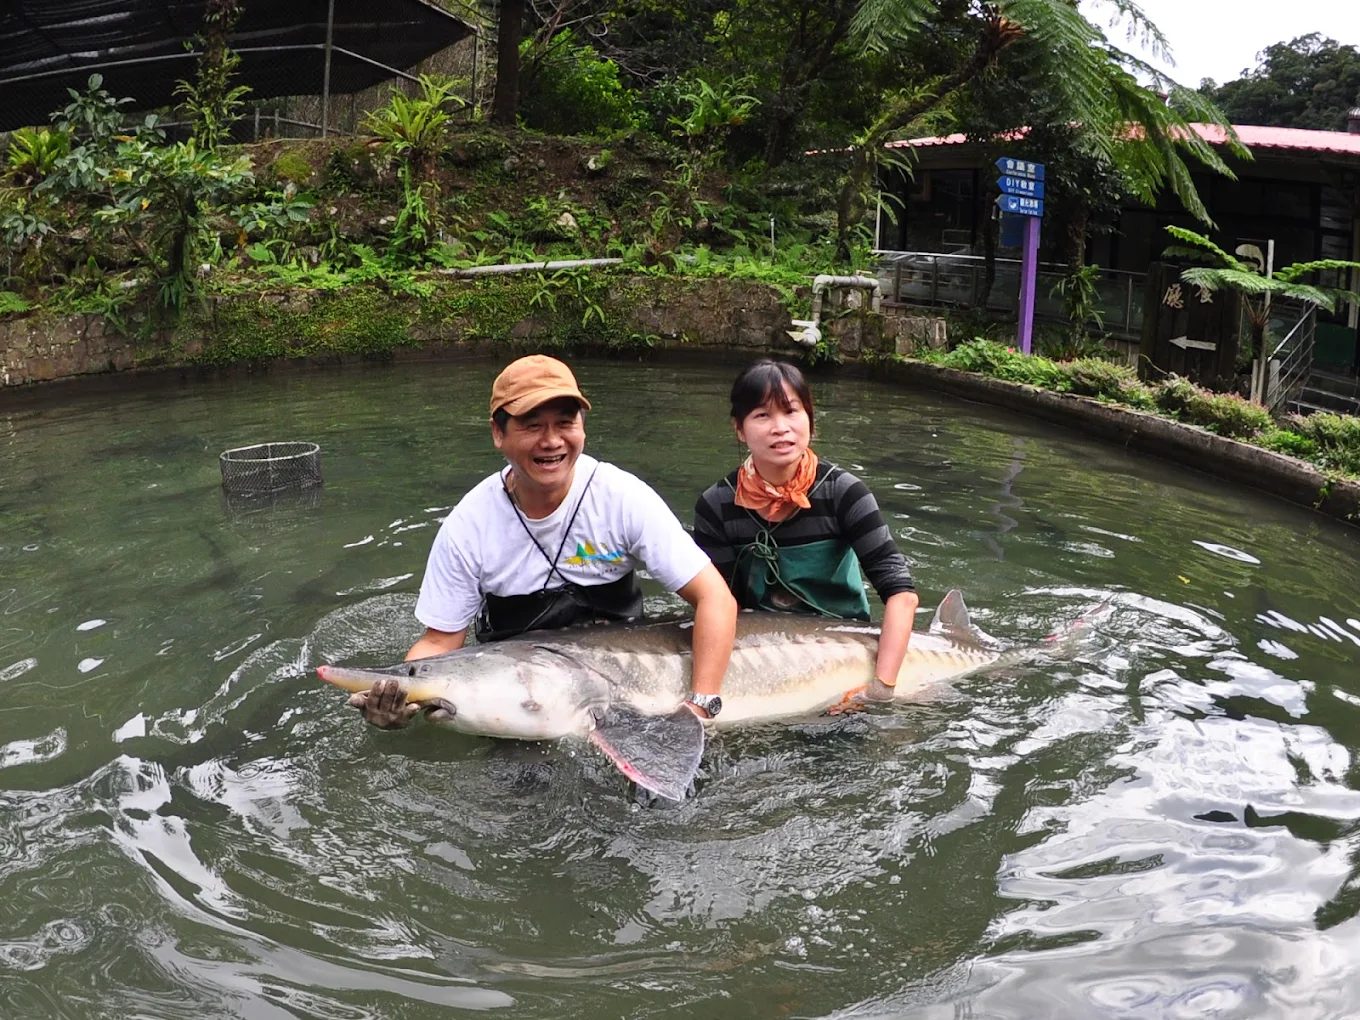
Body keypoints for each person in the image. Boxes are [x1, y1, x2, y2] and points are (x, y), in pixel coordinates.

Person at [351, 354, 737, 729]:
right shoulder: (468, 526)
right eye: (532, 426)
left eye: (565, 423)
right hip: (521, 691)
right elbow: (439, 641)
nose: (552, 441)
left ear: (582, 427)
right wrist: (399, 694)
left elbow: (714, 597)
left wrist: (700, 707)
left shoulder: (621, 497)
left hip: (623, 684)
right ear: (498, 433)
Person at [693, 358, 919, 703]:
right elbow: (718, 603)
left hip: (844, 648)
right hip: (760, 653)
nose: (780, 427)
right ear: (739, 428)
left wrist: (880, 690)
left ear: (810, 419)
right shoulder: (716, 505)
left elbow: (901, 594)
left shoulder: (844, 492)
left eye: (791, 412)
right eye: (762, 415)